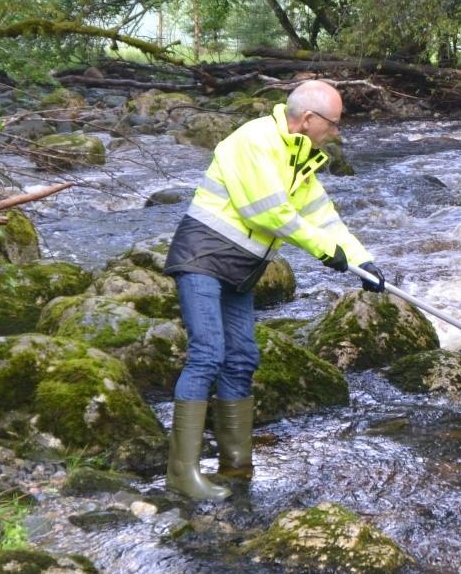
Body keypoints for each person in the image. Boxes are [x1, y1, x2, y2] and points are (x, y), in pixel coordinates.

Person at [162, 80, 386, 500]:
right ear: (308, 119)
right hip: (202, 257)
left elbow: (325, 217)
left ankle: (235, 467)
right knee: (208, 353)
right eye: (334, 125)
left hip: (240, 268)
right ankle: (182, 474)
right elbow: (269, 213)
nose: (336, 133)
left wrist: (361, 262)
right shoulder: (256, 140)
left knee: (243, 358)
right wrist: (324, 252)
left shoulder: (301, 157)